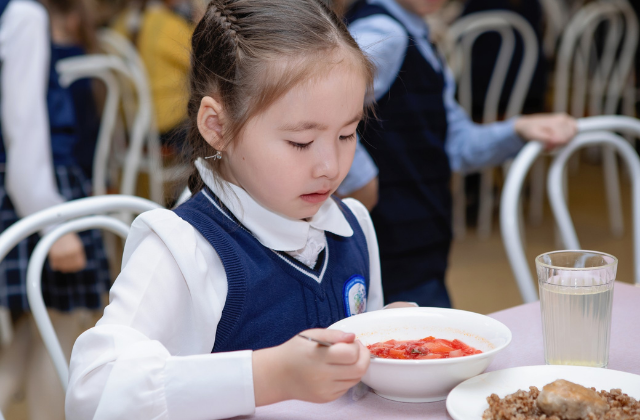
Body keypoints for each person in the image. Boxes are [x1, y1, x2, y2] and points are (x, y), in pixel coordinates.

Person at [65, 1, 404, 418]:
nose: (331, 167)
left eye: (348, 134)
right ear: (217, 126)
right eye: (300, 142)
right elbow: (92, 392)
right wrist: (269, 375)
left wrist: (382, 338)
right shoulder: (182, 250)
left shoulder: (354, 226)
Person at [345, 0, 577, 307]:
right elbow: (318, 103)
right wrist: (361, 179)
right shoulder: (385, 33)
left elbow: (455, 144)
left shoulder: (417, 35)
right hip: (394, 244)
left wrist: (517, 129)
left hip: (421, 241)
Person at [0, 0, 109, 418]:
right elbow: (25, 128)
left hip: (28, 188)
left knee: (35, 327)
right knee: (59, 323)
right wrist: (54, 223)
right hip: (40, 188)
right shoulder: (24, 15)